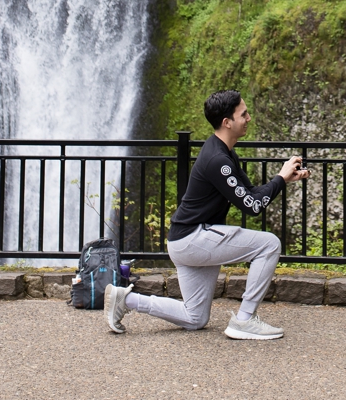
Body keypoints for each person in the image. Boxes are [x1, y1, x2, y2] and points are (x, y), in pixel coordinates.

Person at [103, 90, 310, 340]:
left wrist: (284, 179)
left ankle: (126, 299)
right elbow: (252, 206)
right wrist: (279, 177)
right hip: (193, 238)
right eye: (243, 114)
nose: (249, 118)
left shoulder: (224, 152)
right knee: (269, 244)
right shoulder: (217, 160)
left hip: (186, 240)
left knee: (195, 318)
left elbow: (252, 193)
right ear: (227, 122)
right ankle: (244, 319)